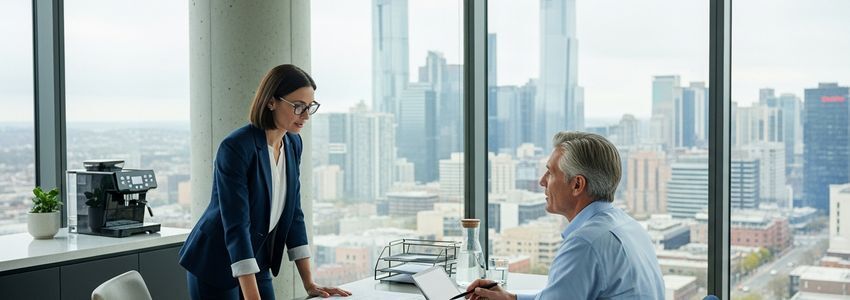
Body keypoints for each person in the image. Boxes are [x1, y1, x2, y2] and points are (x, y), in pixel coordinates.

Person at [178, 64, 351, 300]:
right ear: (271, 102)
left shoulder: (292, 144)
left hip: (256, 260)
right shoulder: (237, 147)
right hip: (215, 262)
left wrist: (309, 283)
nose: (306, 116)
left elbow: (294, 214)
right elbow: (236, 225)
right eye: (298, 106)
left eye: (310, 107)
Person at [466, 132, 665, 300]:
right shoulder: (627, 225)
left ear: (577, 185)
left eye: (550, 173)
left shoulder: (585, 243)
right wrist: (511, 298)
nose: (542, 181)